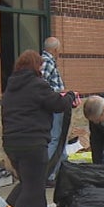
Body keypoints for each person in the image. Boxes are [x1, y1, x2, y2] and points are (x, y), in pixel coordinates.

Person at [1, 50, 78, 207]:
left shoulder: (10, 87)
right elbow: (57, 105)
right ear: (37, 67)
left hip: (12, 144)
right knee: (34, 190)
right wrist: (70, 96)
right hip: (33, 144)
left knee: (27, 183)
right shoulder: (37, 85)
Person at [40, 37, 68, 185]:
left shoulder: (47, 61)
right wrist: (58, 95)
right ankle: (48, 175)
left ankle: (61, 171)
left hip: (57, 104)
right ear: (55, 49)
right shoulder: (47, 61)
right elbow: (42, 85)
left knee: (59, 139)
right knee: (55, 139)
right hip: (55, 106)